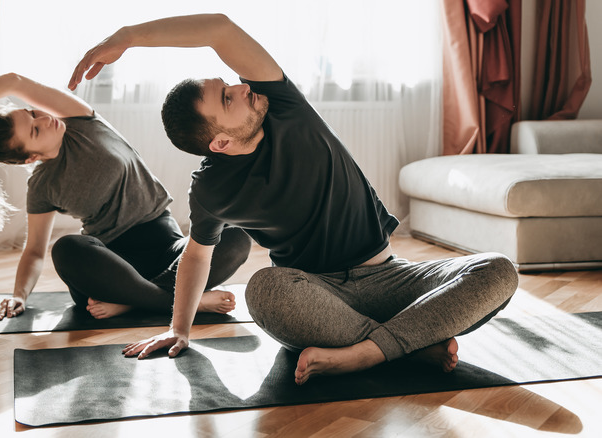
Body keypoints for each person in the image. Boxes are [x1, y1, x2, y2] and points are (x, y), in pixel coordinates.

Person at [68, 13, 519, 384]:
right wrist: (177, 328)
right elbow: (196, 255)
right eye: (228, 98)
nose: (243, 87)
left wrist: (127, 36)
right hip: (314, 296)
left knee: (496, 270)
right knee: (263, 289)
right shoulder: (210, 188)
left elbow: (219, 29)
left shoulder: (284, 109)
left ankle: (367, 352)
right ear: (220, 143)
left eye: (232, 84)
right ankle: (406, 343)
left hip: (390, 279)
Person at [0, 72, 251, 321]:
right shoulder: (42, 186)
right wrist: (18, 295)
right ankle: (181, 301)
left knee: (235, 235)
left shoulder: (81, 120)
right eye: (35, 130)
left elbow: (13, 81)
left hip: (169, 248)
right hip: (115, 264)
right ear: (30, 158)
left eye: (34, 113)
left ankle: (141, 303)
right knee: (66, 250)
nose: (44, 118)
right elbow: (35, 251)